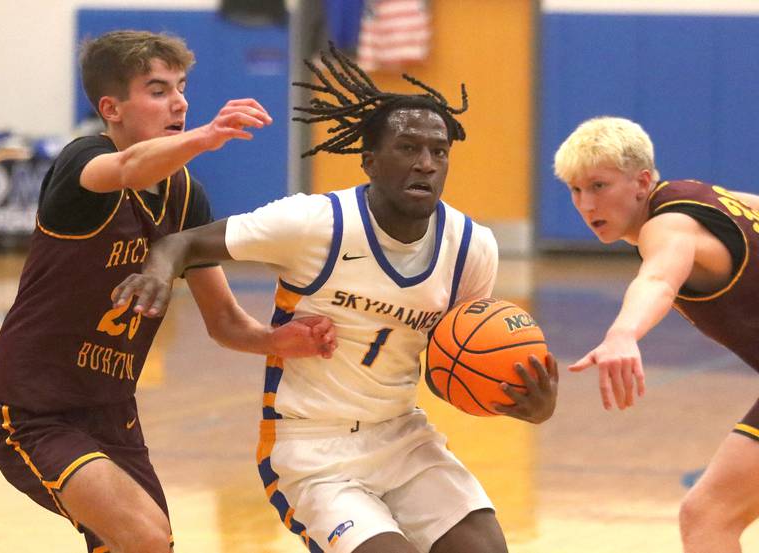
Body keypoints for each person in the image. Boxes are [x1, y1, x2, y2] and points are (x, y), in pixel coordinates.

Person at [112, 44, 559, 553]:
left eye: (439, 151)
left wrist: (513, 400)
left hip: (403, 438)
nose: (426, 163)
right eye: (408, 148)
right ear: (369, 160)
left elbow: (448, 368)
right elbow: (182, 241)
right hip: (311, 449)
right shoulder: (313, 224)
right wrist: (158, 269)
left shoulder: (472, 248)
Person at [0, 30, 336, 553]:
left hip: (114, 411)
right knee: (145, 539)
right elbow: (128, 167)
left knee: (145, 544)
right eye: (157, 89)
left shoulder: (185, 194)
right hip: (37, 411)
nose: (179, 102)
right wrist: (208, 136)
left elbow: (225, 322)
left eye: (181, 87)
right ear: (112, 108)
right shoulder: (82, 164)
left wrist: (284, 340)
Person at [554, 115, 759, 553]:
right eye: (575, 190)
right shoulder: (701, 195)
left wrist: (623, 333)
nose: (586, 204)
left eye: (598, 186)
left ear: (641, 182)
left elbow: (659, 280)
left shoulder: (665, 226)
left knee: (708, 516)